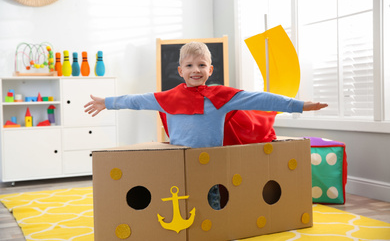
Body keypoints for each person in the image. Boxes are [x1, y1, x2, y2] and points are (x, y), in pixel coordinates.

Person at [84, 41, 328, 210]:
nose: (196, 70)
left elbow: (261, 98)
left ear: (210, 69)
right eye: (189, 66)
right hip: (179, 162)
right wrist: (107, 102)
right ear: (180, 71)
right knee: (178, 200)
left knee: (213, 202)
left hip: (211, 163)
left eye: (201, 65)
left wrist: (300, 105)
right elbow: (136, 100)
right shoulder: (167, 98)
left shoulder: (222, 96)